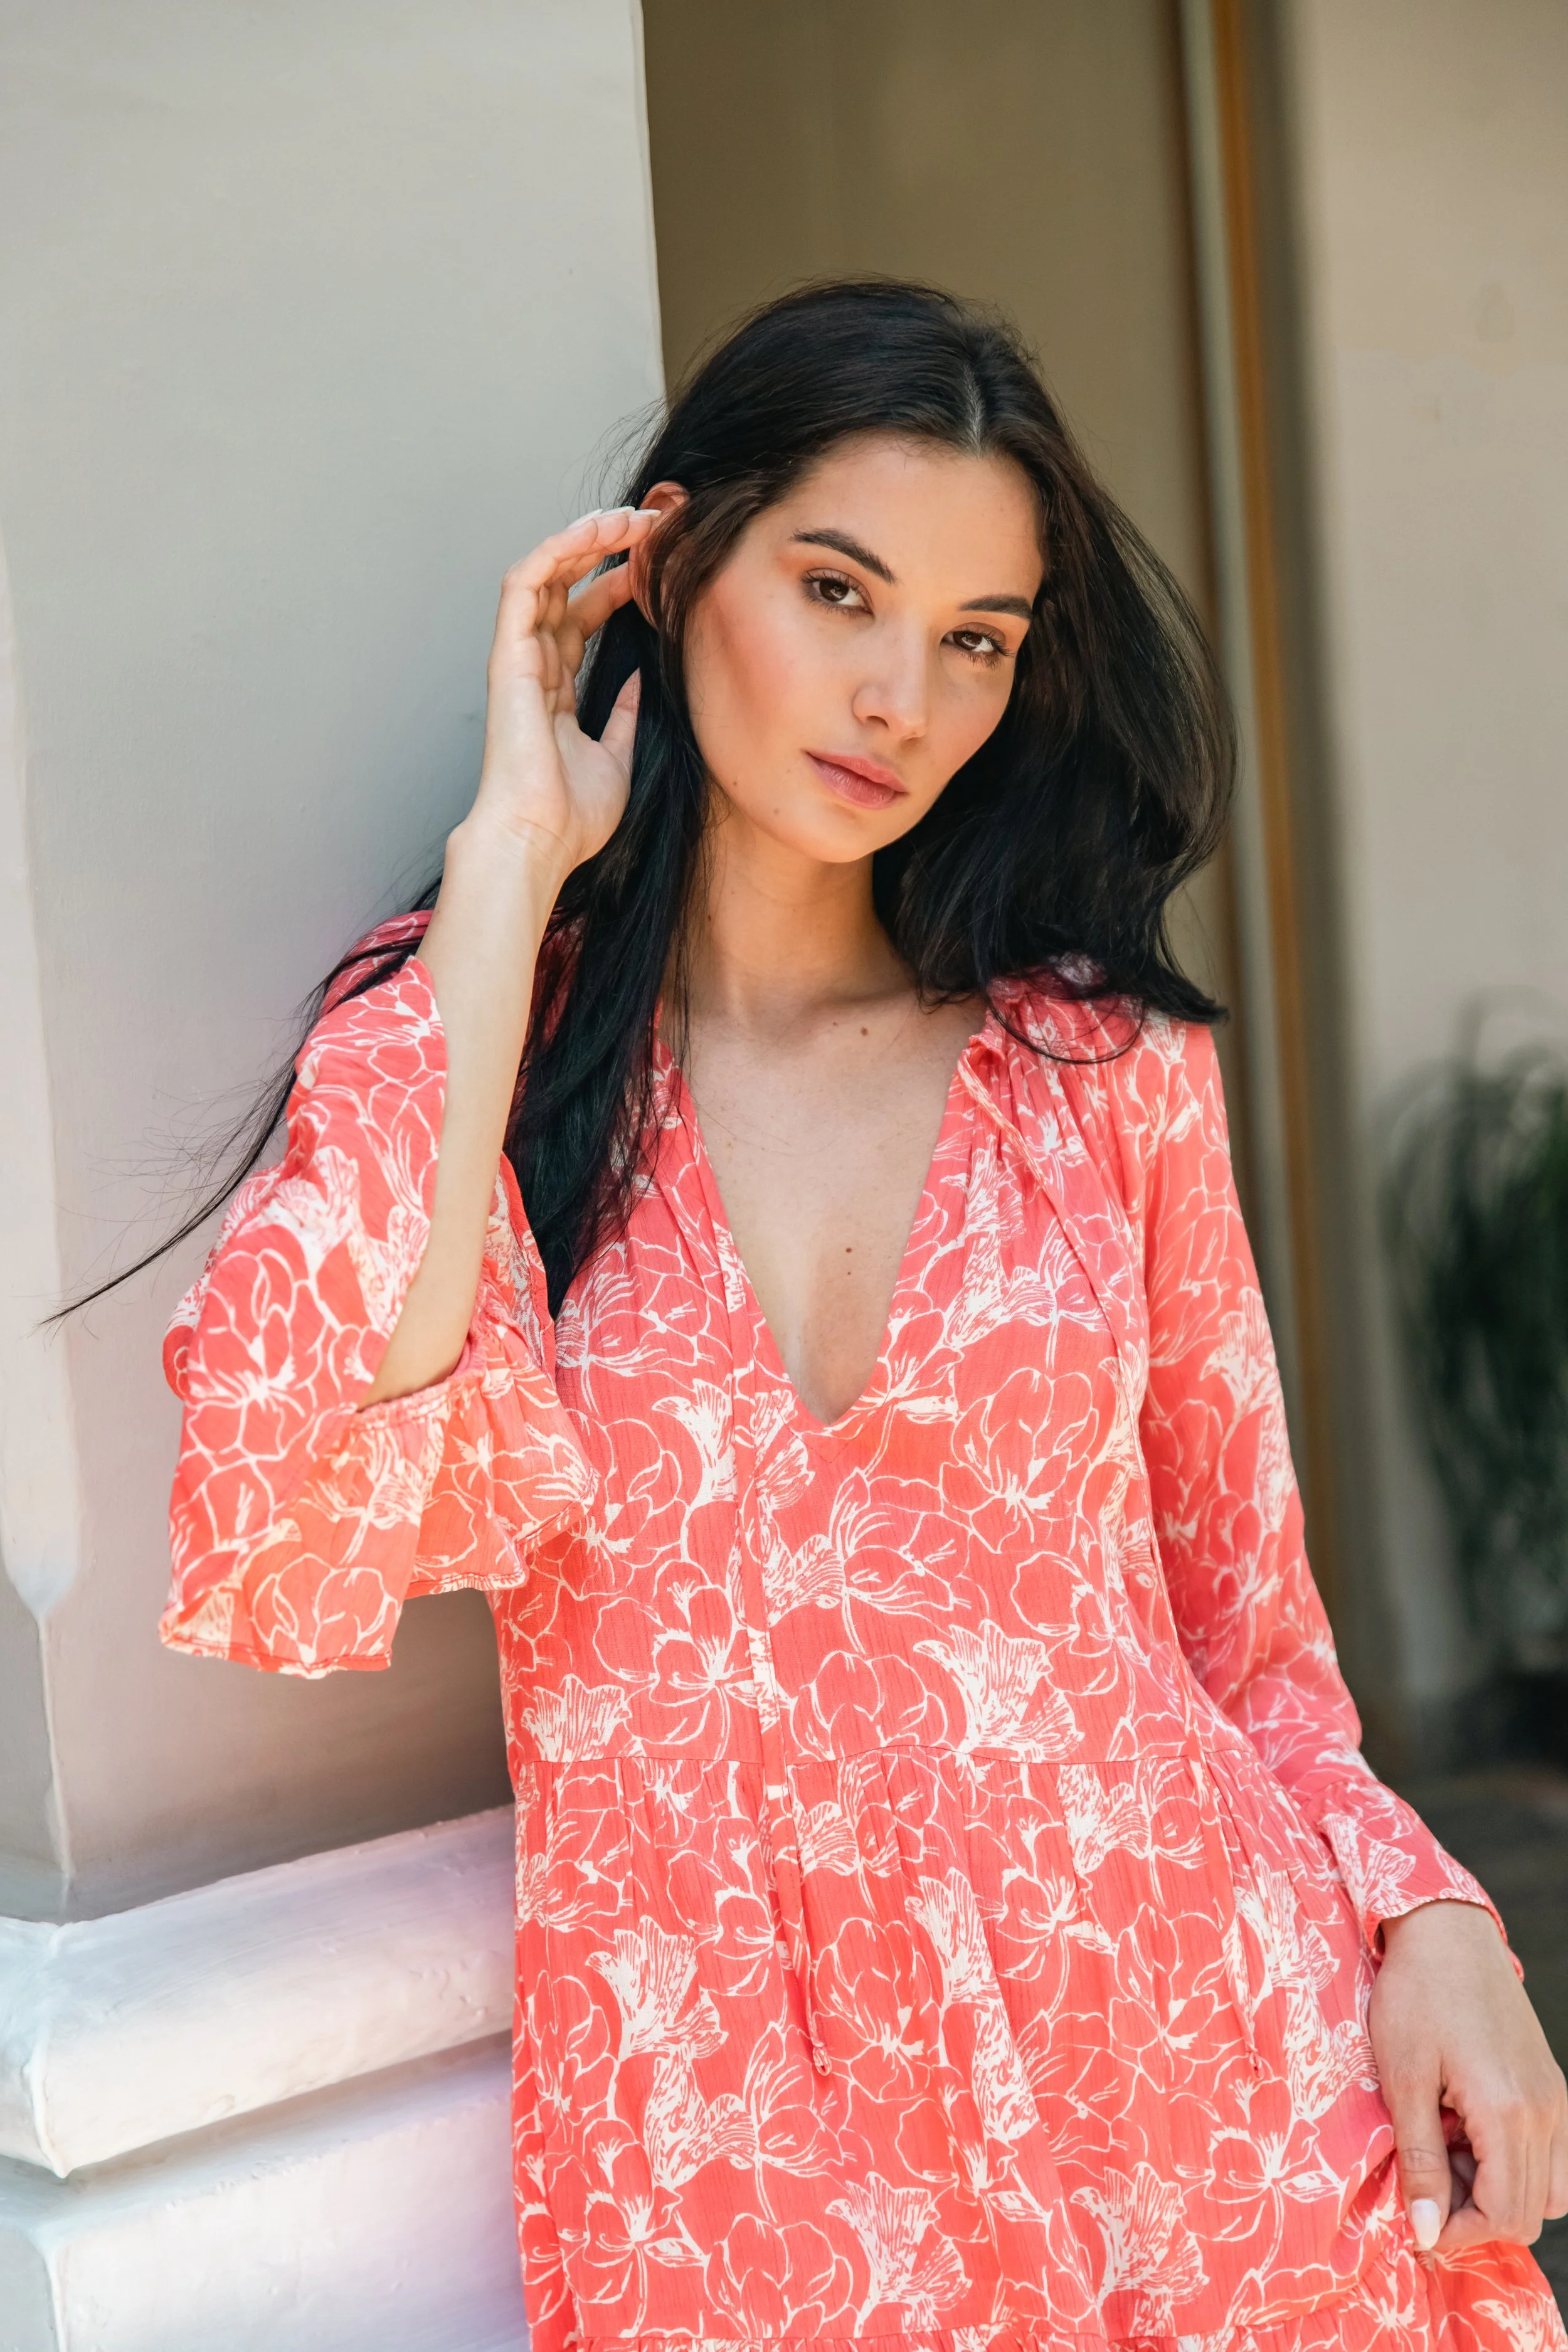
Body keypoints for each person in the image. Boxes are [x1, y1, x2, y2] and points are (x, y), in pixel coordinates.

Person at [155, 282, 1567, 2349]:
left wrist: (1440, 1921)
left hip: (1200, 2108)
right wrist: (507, 858)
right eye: (839, 589)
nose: (900, 692)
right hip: (733, 2180)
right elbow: (283, 1514)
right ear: (678, 554)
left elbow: (1246, 1636)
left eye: (974, 639)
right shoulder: (478, 1055)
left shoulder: (1093, 1068)